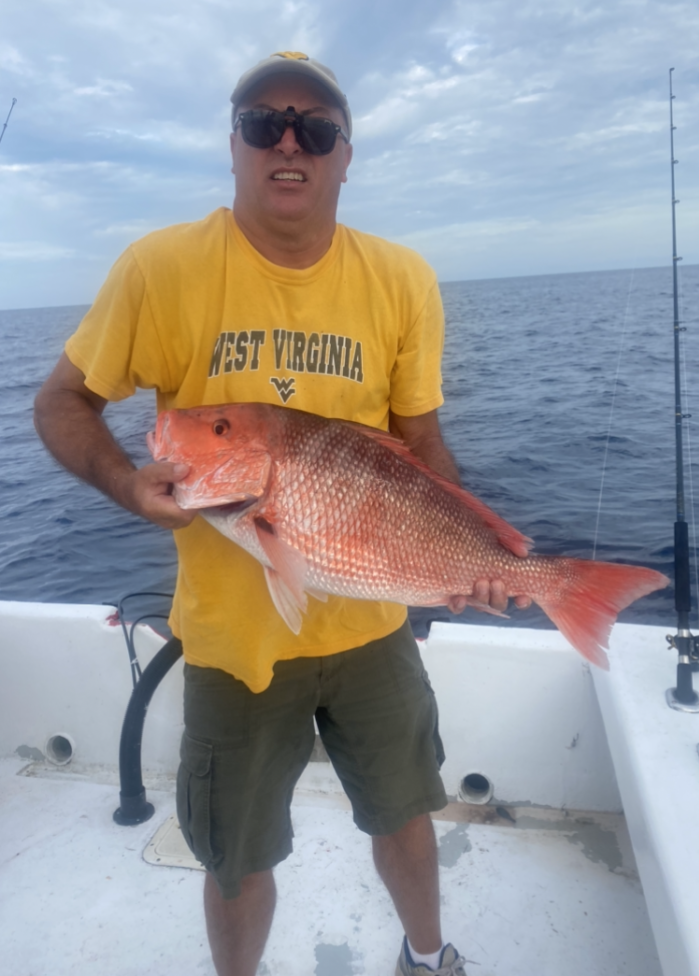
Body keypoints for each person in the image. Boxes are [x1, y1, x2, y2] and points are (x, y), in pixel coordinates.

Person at [34, 51, 527, 976]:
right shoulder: (160, 269)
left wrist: (484, 553)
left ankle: (429, 957)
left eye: (316, 128)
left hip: (373, 624)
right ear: (233, 147)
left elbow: (419, 444)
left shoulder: (403, 278)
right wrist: (127, 484)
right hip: (232, 646)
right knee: (235, 858)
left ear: (346, 155)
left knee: (407, 812)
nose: (289, 142)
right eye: (265, 123)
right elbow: (62, 400)